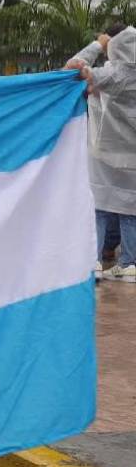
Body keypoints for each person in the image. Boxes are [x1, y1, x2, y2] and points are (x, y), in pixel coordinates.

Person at [67, 23, 136, 282]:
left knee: (99, 207)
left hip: (102, 151)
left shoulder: (108, 75)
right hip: (133, 157)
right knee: (130, 209)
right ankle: (129, 263)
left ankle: (93, 260)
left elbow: (72, 68)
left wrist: (97, 44)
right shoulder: (116, 74)